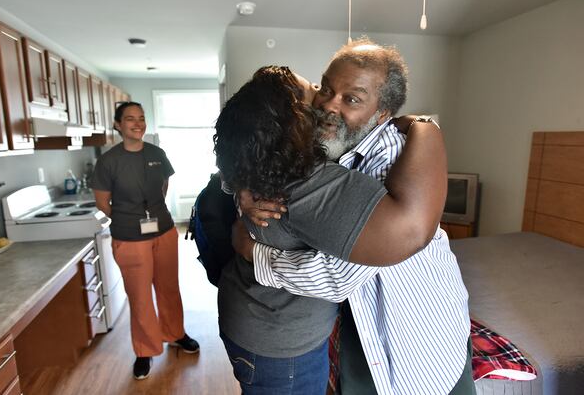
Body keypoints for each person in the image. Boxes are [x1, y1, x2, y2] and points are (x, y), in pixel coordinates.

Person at [234, 39, 475, 395]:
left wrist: (251, 250)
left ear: (382, 114)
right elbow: (255, 147)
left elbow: (335, 276)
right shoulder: (324, 147)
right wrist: (243, 193)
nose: (328, 105)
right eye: (327, 88)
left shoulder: (389, 162)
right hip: (356, 330)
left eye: (352, 99)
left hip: (416, 342)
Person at [91, 102, 199, 380]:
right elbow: (103, 202)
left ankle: (175, 334)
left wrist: (152, 209)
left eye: (141, 118)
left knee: (169, 288)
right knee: (140, 297)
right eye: (130, 119)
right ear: (118, 124)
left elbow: (163, 186)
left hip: (163, 231)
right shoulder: (108, 161)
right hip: (129, 238)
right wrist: (128, 216)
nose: (137, 123)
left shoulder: (157, 154)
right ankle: (145, 350)